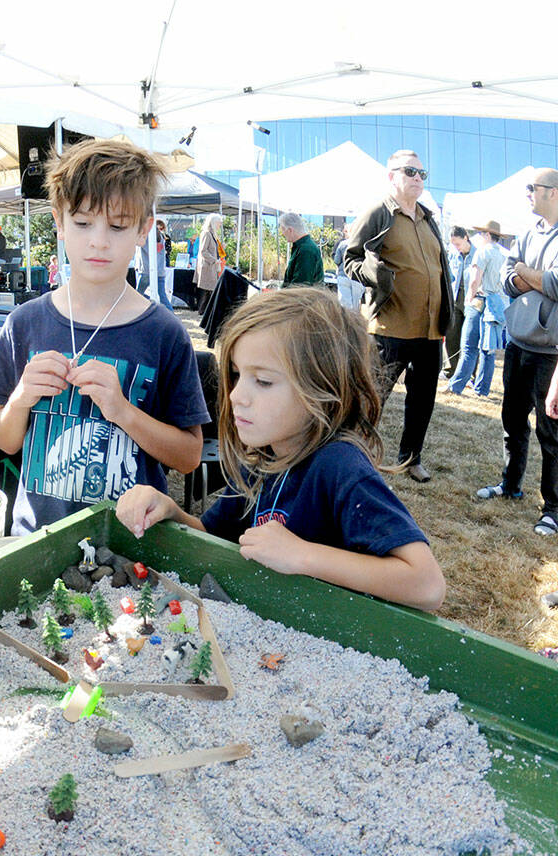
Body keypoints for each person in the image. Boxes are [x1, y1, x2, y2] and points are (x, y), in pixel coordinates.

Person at [117, 288, 446, 612]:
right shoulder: (263, 458)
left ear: (320, 388)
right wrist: (170, 510)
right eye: (236, 374)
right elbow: (213, 536)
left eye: (263, 381)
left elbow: (427, 585)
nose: (236, 396)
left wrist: (302, 555)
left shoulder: (339, 465)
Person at [0, 137, 208, 537]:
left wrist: (122, 410)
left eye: (118, 226)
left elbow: (189, 456)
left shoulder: (164, 333)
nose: (99, 241)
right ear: (59, 221)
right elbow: (5, 440)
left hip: (131, 546)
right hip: (35, 540)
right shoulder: (24, 323)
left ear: (142, 229)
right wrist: (21, 398)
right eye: (83, 223)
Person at [343, 150, 453, 484]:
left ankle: (411, 458)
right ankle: (354, 456)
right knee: (373, 396)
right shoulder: (379, 212)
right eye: (410, 171)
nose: (418, 178)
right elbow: (350, 259)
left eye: (422, 173)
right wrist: (373, 272)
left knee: (423, 400)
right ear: (392, 176)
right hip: (389, 326)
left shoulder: (428, 217)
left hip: (429, 329)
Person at [475, 169, 558, 536]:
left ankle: (552, 509)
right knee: (512, 421)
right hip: (518, 344)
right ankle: (510, 485)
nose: (527, 194)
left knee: (551, 431)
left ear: (553, 193)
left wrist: (526, 272)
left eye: (532, 188)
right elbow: (509, 282)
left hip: (550, 352)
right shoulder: (525, 235)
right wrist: (530, 274)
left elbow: (556, 285)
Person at [446, 221, 507, 397]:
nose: (478, 237)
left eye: (481, 234)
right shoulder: (503, 255)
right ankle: (481, 389)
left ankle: (456, 386)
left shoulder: (481, 252)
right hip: (496, 305)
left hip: (479, 300)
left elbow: (474, 280)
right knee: (487, 350)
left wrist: (468, 299)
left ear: (487, 235)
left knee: (468, 346)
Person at [442, 225, 473, 378]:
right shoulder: (453, 254)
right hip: (455, 299)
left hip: (472, 301)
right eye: (453, 244)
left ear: (466, 238)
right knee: (452, 336)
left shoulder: (478, 254)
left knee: (469, 339)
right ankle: (450, 369)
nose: (456, 247)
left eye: (458, 244)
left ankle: (469, 373)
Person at [278, 211, 324, 286]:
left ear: (290, 230)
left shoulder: (306, 250)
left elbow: (300, 286)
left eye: (283, 230)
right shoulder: (302, 247)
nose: (282, 233)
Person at [195, 213, 224, 315]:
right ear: (213, 223)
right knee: (207, 290)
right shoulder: (207, 233)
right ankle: (203, 311)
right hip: (207, 266)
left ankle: (204, 312)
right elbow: (203, 251)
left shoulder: (211, 234)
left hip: (210, 266)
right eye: (219, 223)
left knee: (209, 290)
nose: (220, 225)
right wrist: (214, 260)